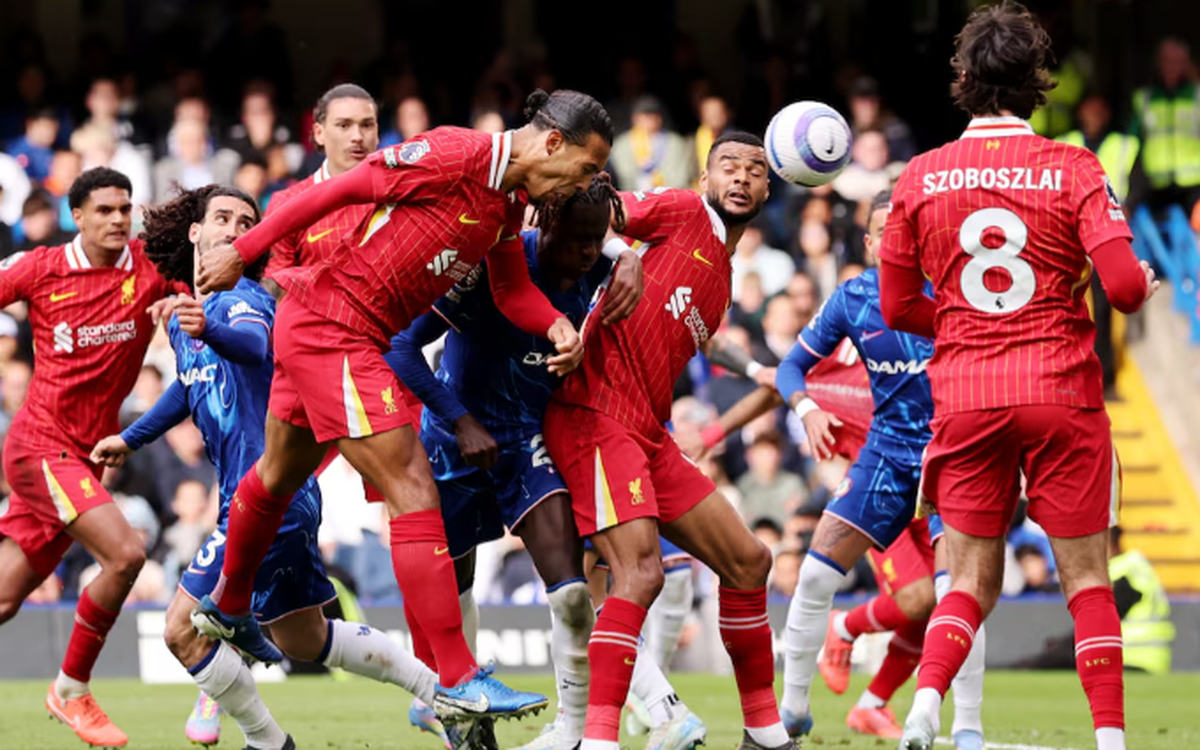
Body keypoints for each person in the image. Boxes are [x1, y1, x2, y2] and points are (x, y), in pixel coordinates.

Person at [189, 89, 613, 725]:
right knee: (415, 490)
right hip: (337, 325)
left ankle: (225, 604)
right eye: (584, 169)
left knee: (277, 475)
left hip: (324, 325)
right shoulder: (455, 151)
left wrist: (553, 323)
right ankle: (458, 678)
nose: (580, 184)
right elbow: (337, 191)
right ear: (553, 143)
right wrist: (242, 252)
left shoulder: (506, 203)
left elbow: (511, 287)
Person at [92, 185, 463, 750]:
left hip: (268, 499)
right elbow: (189, 389)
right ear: (195, 232)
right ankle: (441, 696)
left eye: (246, 222)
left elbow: (251, 345)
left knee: (181, 632)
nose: (233, 228)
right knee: (303, 636)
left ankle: (269, 743)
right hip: (262, 500)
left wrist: (206, 327)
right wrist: (131, 437)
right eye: (221, 218)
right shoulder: (187, 316)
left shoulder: (242, 299)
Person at [878, 5, 1158, 749]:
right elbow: (1125, 289)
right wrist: (1145, 281)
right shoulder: (1075, 167)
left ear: (962, 80)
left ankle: (922, 711)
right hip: (1061, 389)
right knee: (1087, 581)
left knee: (967, 579)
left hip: (967, 393)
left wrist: (971, 329)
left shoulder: (920, 174)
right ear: (1038, 84)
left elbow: (897, 304)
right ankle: (1111, 742)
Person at [390, 176, 703, 750]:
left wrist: (622, 254)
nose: (586, 253)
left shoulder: (601, 269)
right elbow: (402, 348)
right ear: (542, 226)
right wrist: (459, 421)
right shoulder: (493, 266)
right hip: (453, 444)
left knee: (570, 593)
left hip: (528, 443)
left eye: (595, 241)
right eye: (577, 240)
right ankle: (460, 713)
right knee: (453, 600)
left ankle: (605, 721)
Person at [542, 131, 789, 750]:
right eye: (728, 166)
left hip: (648, 432)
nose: (740, 177)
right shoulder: (680, 210)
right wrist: (622, 251)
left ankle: (763, 731)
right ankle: (599, 741)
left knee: (749, 562)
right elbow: (591, 201)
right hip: (594, 412)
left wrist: (750, 367)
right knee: (640, 574)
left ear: (768, 188)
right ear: (706, 178)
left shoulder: (723, 278)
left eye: (755, 171)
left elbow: (694, 331)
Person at [0, 167, 186, 748]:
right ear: (75, 216)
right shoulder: (41, 267)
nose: (117, 219)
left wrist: (186, 308)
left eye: (124, 209)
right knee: (127, 553)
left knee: (5, 599)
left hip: (82, 461)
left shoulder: (150, 267)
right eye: (104, 209)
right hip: (38, 447)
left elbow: (206, 286)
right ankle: (72, 689)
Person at [261, 83, 380, 294]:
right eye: (344, 125)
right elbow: (276, 292)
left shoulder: (400, 198)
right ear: (319, 133)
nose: (358, 137)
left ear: (377, 133)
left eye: (367, 125)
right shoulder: (288, 203)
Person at [1107, 526, 1175, 675]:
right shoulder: (1136, 565)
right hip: (1153, 658)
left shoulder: (1122, 573)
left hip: (1131, 658)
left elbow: (1103, 622)